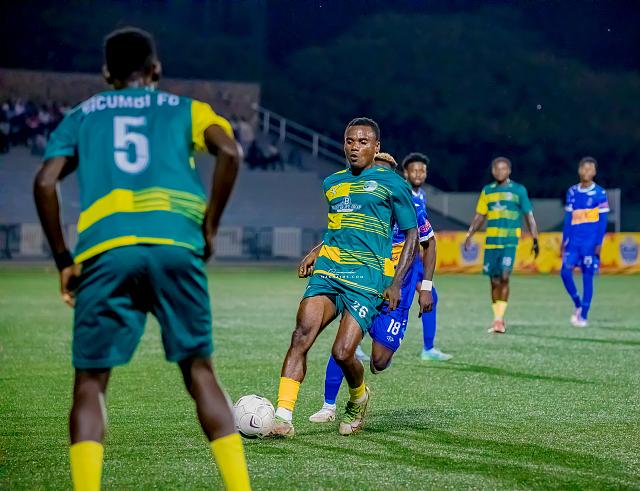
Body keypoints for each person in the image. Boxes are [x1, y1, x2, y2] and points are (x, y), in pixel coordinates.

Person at [33, 27, 250, 491]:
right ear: (155, 69)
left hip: (106, 253)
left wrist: (64, 261)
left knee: (90, 382)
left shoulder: (81, 115)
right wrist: (210, 226)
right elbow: (230, 152)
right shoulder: (188, 109)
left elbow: (45, 182)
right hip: (176, 248)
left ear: (106, 73)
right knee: (200, 372)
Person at [269, 118, 418, 437]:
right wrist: (316, 250)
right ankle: (282, 417)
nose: (355, 147)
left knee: (342, 353)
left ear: (376, 147)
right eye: (350, 141)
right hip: (329, 271)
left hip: (368, 279)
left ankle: (358, 397)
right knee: (301, 335)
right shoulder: (332, 183)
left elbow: (412, 234)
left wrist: (396, 282)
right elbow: (339, 226)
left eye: (363, 142)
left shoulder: (393, 184)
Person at [308, 151, 439, 423]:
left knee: (378, 361)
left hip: (396, 291)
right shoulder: (360, 203)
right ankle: (329, 405)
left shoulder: (408, 203)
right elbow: (339, 234)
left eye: (383, 171)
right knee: (344, 345)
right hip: (363, 282)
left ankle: (363, 382)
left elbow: (429, 243)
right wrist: (316, 252)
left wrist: (426, 286)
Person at [464, 156, 539, 334]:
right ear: (493, 171)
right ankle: (497, 317)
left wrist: (535, 238)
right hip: (492, 242)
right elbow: (480, 215)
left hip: (509, 241)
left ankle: (499, 319)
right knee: (494, 280)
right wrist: (469, 234)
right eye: (497, 169)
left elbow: (528, 215)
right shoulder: (487, 191)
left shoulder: (519, 190)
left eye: (503, 168)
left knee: (505, 276)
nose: (500, 172)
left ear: (509, 171)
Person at [402, 152, 452, 361]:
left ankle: (428, 349)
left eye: (422, 170)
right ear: (405, 173)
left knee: (431, 296)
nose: (418, 174)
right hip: (399, 259)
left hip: (415, 261)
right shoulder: (402, 194)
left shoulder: (421, 194)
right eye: (414, 170)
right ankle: (356, 344)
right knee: (381, 301)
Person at [560, 157, 609, 327]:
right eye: (584, 168)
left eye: (590, 169)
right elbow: (568, 218)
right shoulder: (572, 191)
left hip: (590, 243)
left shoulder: (600, 193)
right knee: (565, 272)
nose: (587, 172)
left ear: (594, 172)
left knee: (587, 277)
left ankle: (584, 316)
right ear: (579, 170)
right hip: (574, 242)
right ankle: (578, 303)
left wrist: (598, 243)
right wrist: (564, 239)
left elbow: (603, 221)